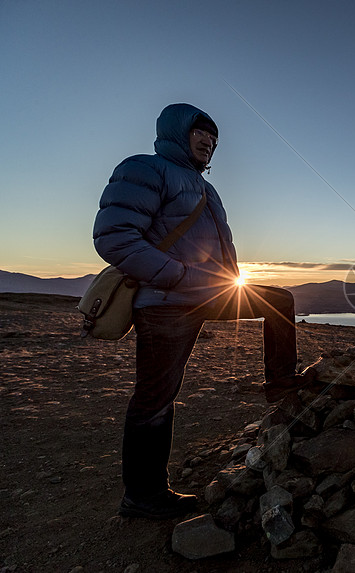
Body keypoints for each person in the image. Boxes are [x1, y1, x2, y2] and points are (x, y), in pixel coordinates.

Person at [93, 103, 312, 520]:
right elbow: (114, 237)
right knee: (155, 400)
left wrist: (226, 279)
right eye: (200, 132)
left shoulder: (204, 188)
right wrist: (177, 276)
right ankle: (143, 496)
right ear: (177, 132)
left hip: (205, 294)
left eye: (214, 137)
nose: (209, 141)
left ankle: (281, 381)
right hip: (166, 302)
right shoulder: (145, 168)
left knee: (278, 300)